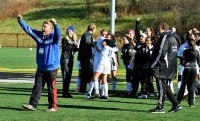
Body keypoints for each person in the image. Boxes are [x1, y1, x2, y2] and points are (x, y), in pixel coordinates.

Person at [17, 15, 61, 112]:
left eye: (45, 27)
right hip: (41, 67)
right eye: (42, 26)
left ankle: (53, 106)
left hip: (52, 68)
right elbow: (28, 29)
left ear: (50, 28)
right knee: (37, 86)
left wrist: (56, 24)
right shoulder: (39, 35)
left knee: (51, 88)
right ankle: (32, 105)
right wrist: (20, 20)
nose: (42, 28)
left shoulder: (54, 37)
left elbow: (58, 35)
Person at [149, 22, 182, 113]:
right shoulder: (173, 38)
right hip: (170, 66)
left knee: (161, 86)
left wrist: (153, 64)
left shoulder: (165, 37)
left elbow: (161, 52)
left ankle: (160, 107)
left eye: (159, 30)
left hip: (162, 66)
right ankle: (175, 104)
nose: (158, 32)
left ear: (163, 29)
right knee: (164, 86)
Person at [177, 33, 200, 107]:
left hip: (187, 68)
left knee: (183, 85)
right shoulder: (197, 51)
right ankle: (191, 103)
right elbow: (199, 62)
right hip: (194, 68)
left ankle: (178, 100)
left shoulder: (185, 51)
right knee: (192, 86)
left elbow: (183, 60)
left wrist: (184, 64)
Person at [78, 23, 96, 94]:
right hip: (86, 58)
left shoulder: (86, 34)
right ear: (93, 29)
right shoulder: (87, 35)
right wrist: (95, 43)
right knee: (88, 74)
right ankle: (87, 90)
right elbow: (88, 44)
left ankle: (83, 89)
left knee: (85, 74)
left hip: (85, 57)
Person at [60, 25, 78, 98]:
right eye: (68, 31)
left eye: (71, 31)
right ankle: (64, 92)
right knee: (65, 76)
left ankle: (67, 91)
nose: (69, 32)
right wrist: (73, 45)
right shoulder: (65, 39)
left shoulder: (73, 40)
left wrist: (76, 46)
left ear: (73, 32)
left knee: (69, 76)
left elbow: (75, 49)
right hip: (65, 59)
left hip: (70, 59)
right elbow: (65, 47)